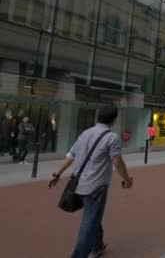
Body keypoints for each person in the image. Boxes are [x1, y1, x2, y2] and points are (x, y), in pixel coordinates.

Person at [48, 105, 133, 258]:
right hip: (96, 186)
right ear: (114, 120)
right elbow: (118, 163)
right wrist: (127, 180)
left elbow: (70, 155)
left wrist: (57, 173)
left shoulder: (85, 133)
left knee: (93, 216)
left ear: (98, 117)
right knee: (90, 222)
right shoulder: (111, 137)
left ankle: (98, 246)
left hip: (78, 184)